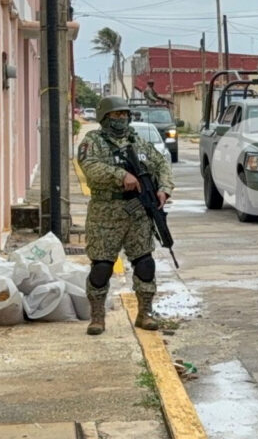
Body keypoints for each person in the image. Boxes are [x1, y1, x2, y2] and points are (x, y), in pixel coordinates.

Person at [77, 96, 174, 335]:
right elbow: (90, 167)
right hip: (105, 214)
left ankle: (145, 312)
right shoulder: (93, 142)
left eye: (124, 115)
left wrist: (164, 188)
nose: (121, 119)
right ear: (104, 117)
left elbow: (162, 164)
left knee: (145, 263)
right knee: (101, 267)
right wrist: (120, 175)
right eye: (116, 115)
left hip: (138, 214)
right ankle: (97, 317)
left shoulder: (138, 142)